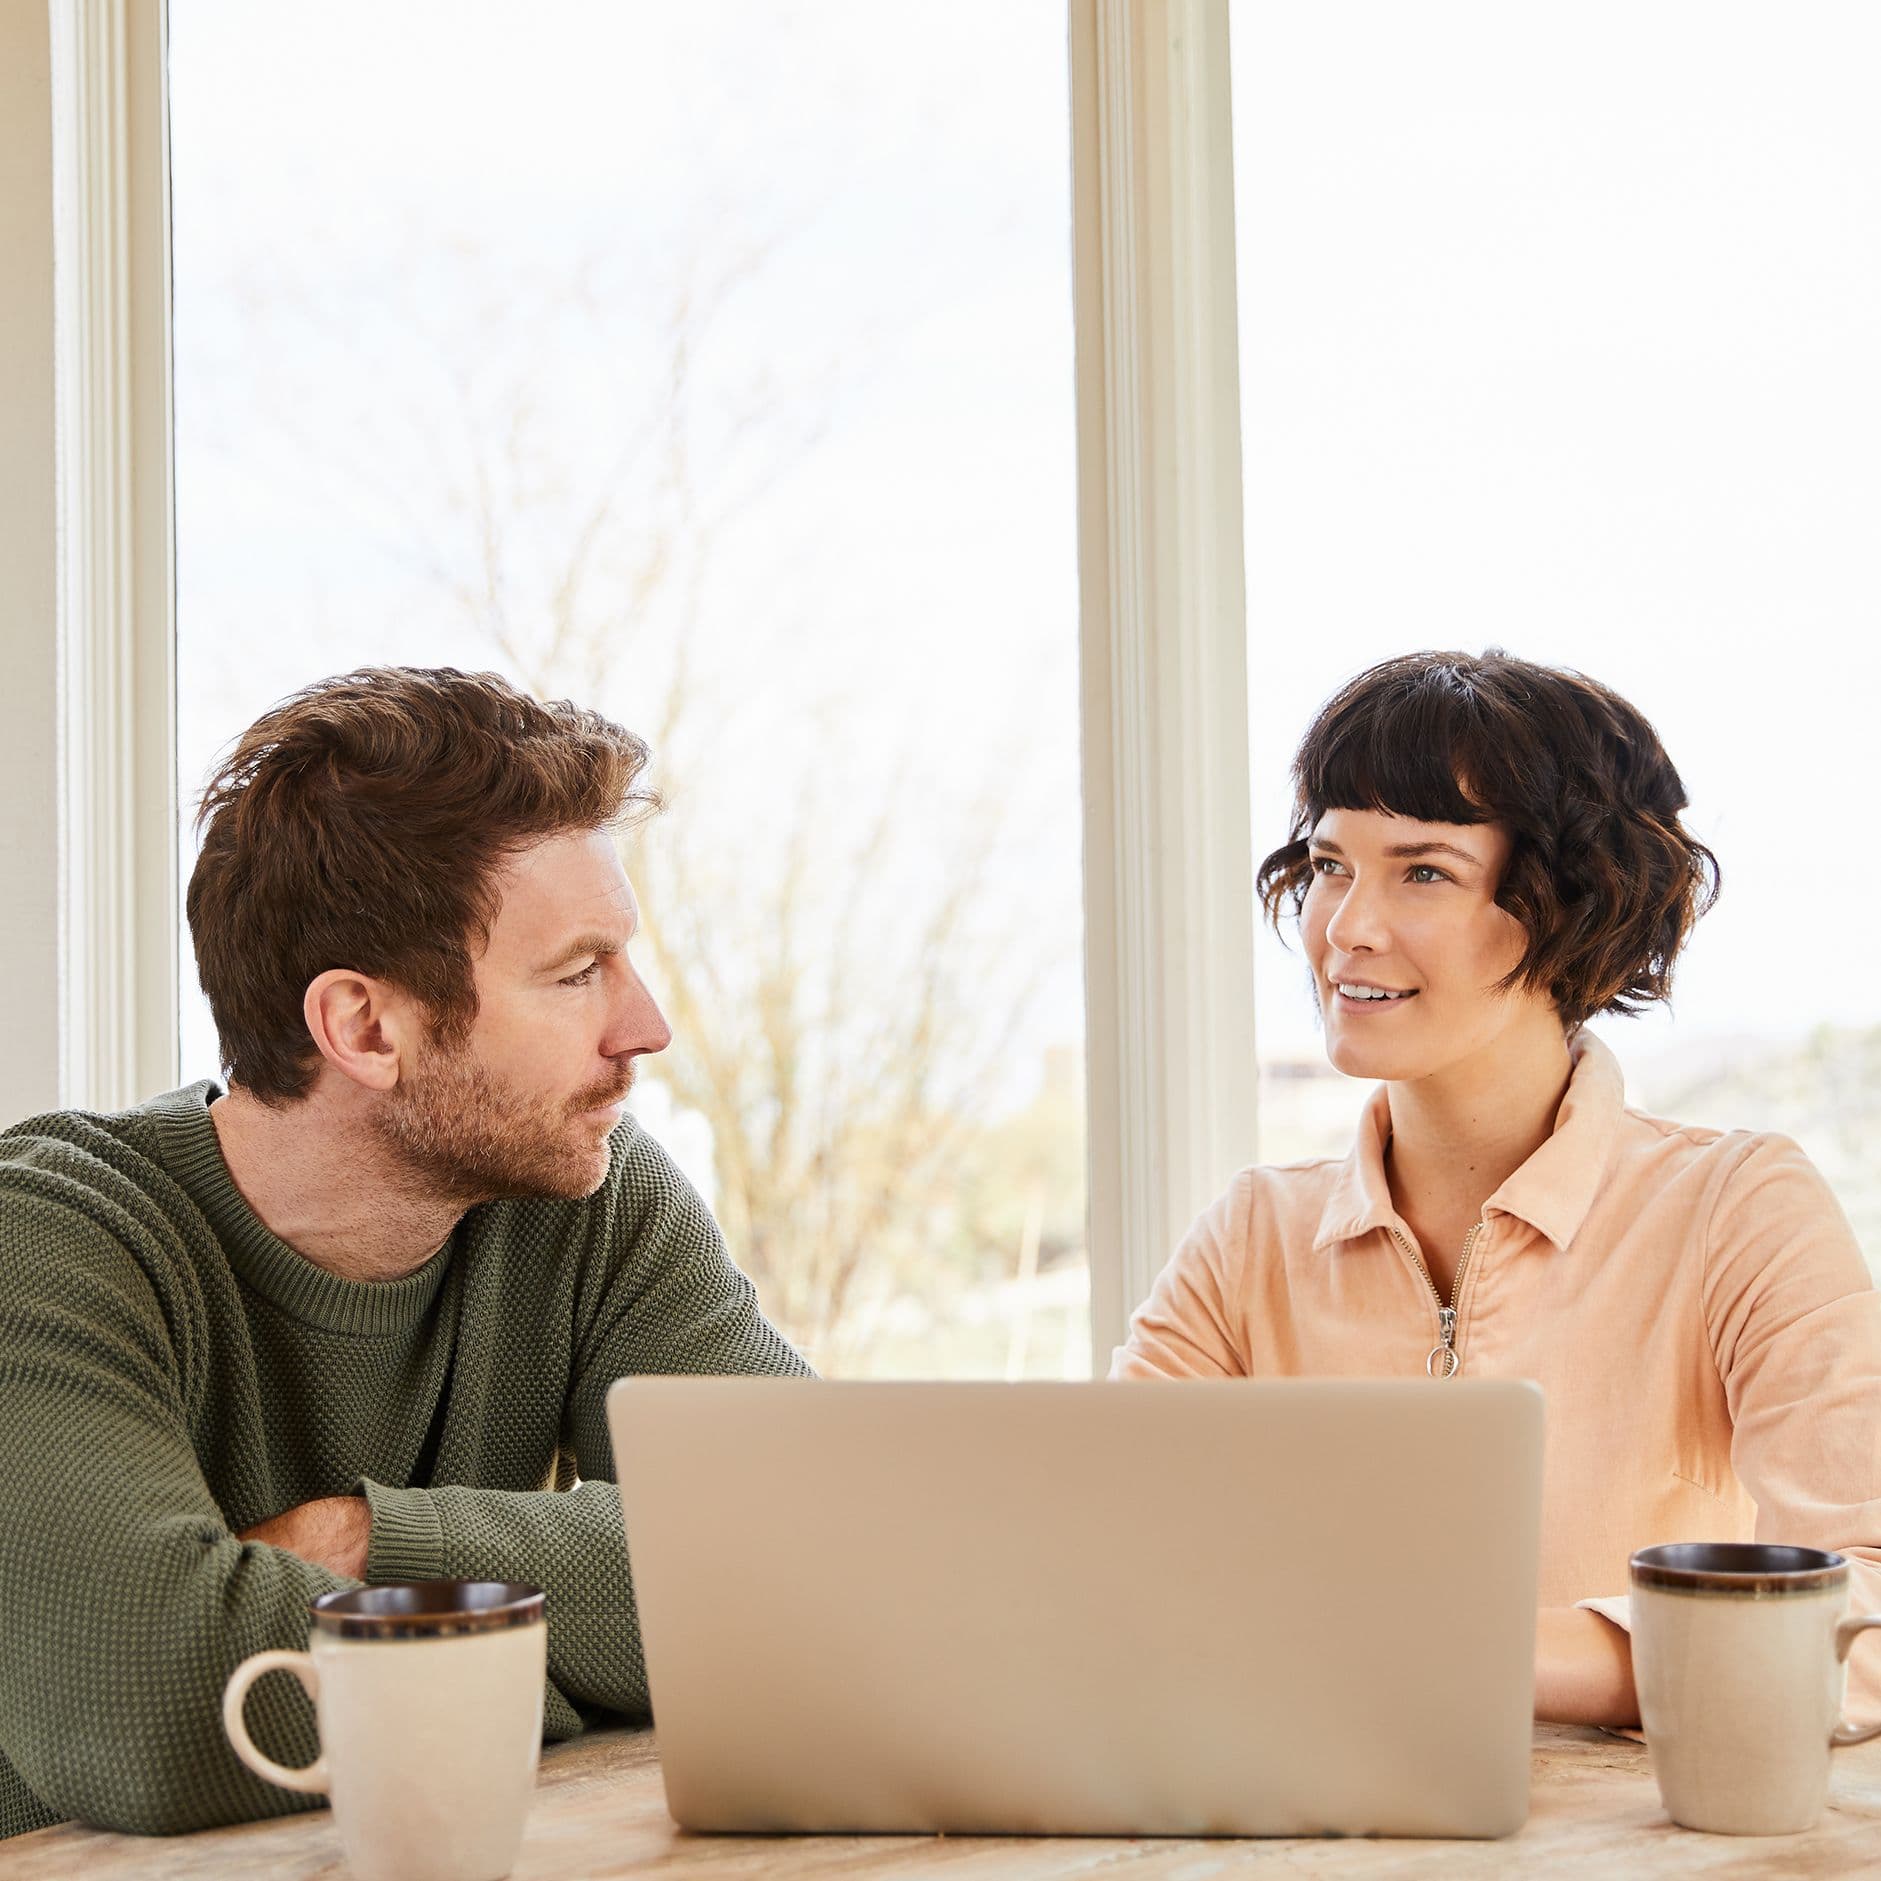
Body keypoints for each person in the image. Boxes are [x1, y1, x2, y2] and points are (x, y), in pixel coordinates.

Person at [0, 667, 811, 1840]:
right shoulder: (49, 1241)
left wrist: (367, 1545)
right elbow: (160, 1712)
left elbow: (815, 1561)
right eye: (579, 972)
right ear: (366, 1027)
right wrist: (630, 1636)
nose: (646, 1029)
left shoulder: (590, 1194)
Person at [1112, 649, 1881, 1730]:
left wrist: (1464, 1654)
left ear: (1571, 904)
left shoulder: (1737, 1209)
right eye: (1332, 864)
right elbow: (1093, 1565)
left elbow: (1865, 1610)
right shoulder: (1252, 1237)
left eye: (1421, 872)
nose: (1345, 928)